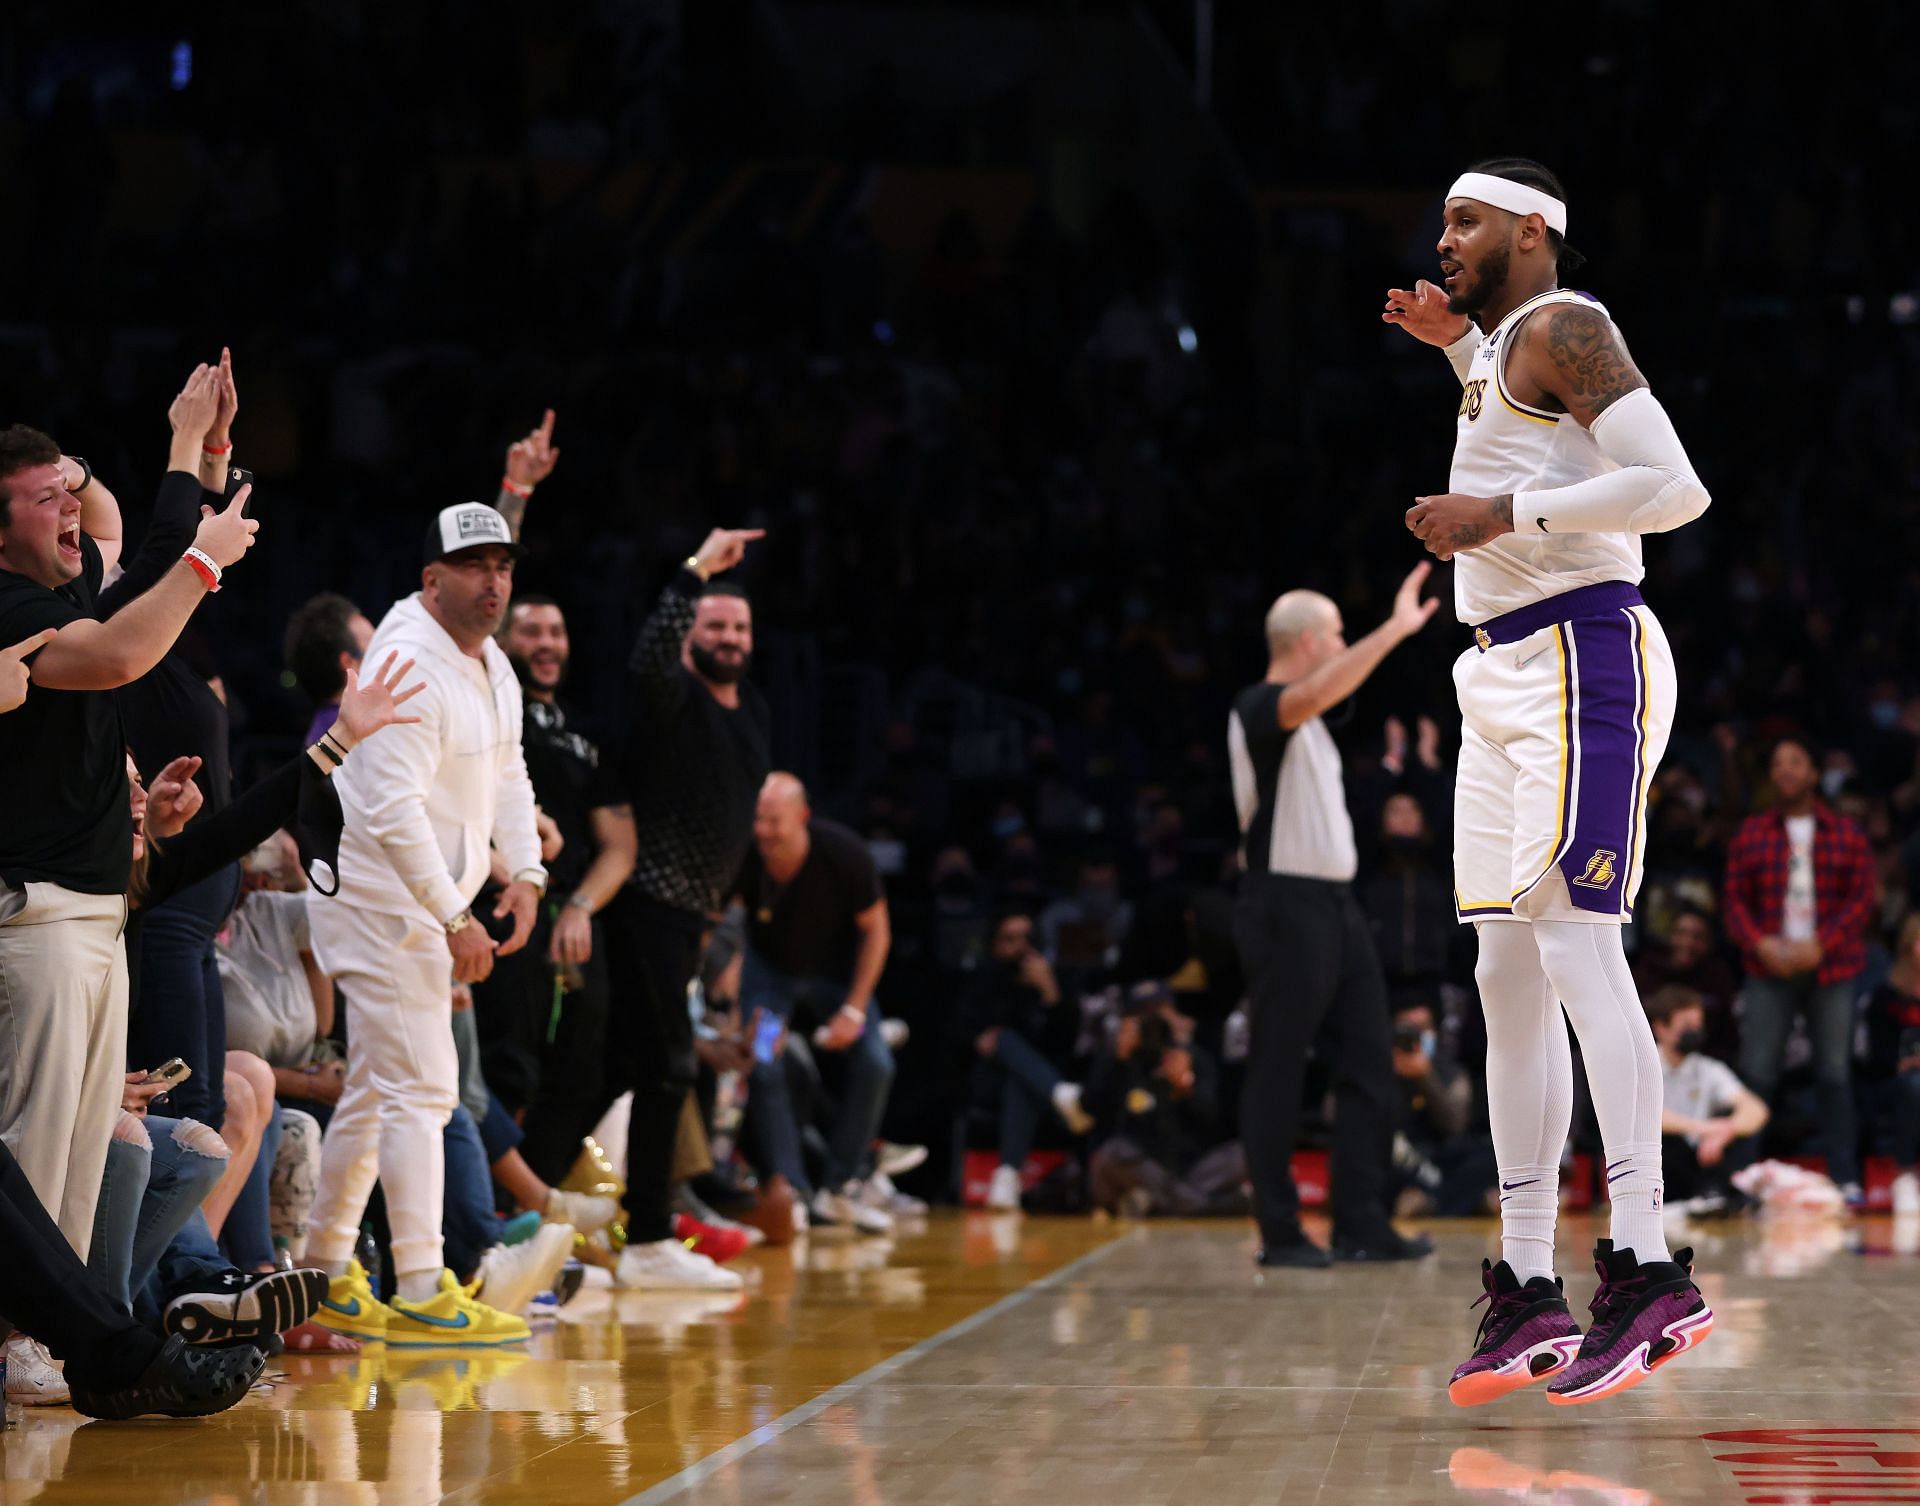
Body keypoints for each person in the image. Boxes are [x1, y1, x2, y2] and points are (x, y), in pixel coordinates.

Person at [1388, 157, 1713, 1404]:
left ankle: (1645, 1265)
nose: (1445, 236)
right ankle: (1527, 1288)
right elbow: (1516, 411)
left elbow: (1674, 489)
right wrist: (1453, 346)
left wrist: (1503, 519)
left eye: (1465, 220)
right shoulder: (1506, 347)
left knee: (1579, 944)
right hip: (1499, 677)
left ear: (1533, 230)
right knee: (1503, 965)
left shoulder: (1569, 324)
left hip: (1585, 650)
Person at [0, 371, 258, 1273]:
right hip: (36, 916)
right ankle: (27, 1333)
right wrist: (206, 551)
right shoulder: (12, 609)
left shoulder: (63, 583)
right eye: (44, 501)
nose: (71, 509)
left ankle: (59, 1335)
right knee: (39, 1146)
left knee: (81, 1146)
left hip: (93, 912)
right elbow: (119, 654)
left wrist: (77, 468)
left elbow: (118, 531)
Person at [305, 501, 551, 1346]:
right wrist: (456, 916)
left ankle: (327, 1271)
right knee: (425, 1088)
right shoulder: (407, 658)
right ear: (431, 578)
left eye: (505, 566)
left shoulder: (490, 663)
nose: (494, 581)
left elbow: (509, 773)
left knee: (380, 1090)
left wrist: (526, 871)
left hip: (415, 903)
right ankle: (417, 1284)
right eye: (476, 566)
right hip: (376, 899)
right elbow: (391, 810)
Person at [1227, 562, 1439, 1268]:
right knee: (1279, 1067)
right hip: (1285, 903)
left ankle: (1360, 1221)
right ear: (1312, 640)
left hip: (1334, 906)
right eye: (1339, 636)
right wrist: (1395, 630)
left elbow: (1324, 693)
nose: (1344, 647)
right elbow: (1318, 689)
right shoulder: (1260, 706)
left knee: (1370, 1061)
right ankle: (1279, 1230)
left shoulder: (1311, 720)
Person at [592, 528, 769, 1290]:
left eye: (739, 628)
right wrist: (696, 571)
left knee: (619, 1069)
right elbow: (648, 656)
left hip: (692, 921)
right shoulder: (676, 697)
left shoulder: (751, 712)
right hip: (648, 907)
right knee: (666, 1069)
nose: (729, 638)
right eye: (716, 627)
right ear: (695, 634)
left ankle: (528, 1208)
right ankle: (650, 1238)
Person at [485, 594, 638, 1218]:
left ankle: (531, 1212)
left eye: (558, 630)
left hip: (572, 915)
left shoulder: (588, 732)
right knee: (505, 1066)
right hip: (501, 898)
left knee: (585, 1069)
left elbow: (620, 845)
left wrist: (578, 906)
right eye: (531, 631)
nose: (547, 643)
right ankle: (486, 1217)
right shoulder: (492, 709)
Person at [734, 772, 897, 1233]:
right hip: (774, 981)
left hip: (837, 982)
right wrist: (739, 1008)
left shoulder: (843, 854)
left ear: (802, 817)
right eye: (758, 819)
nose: (763, 830)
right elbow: (726, 926)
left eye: (774, 821)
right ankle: (795, 1192)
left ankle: (841, 1185)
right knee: (764, 1064)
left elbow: (877, 932)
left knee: (876, 1064)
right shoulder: (747, 853)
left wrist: (854, 1009)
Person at [1722, 734, 1876, 1202]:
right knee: (1758, 1071)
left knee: (1833, 1072)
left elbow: (1861, 898)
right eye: (1777, 763)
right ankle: (1741, 1179)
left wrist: (1822, 944)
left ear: (1813, 773)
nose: (1785, 771)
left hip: (1831, 965)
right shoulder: (1753, 832)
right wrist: (1759, 943)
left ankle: (1845, 1177)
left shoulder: (1844, 832)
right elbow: (1734, 900)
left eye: (1795, 762)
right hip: (1769, 964)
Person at [956, 909, 1095, 1212]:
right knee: (1006, 1041)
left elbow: (1068, 1044)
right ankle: (1062, 1095)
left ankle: (1007, 1176)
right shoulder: (985, 982)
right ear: (994, 945)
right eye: (1010, 939)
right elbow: (964, 1035)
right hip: (989, 1082)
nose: (1020, 946)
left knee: (1020, 1082)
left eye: (1026, 938)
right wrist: (979, 1039)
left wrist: (1049, 993)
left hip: (1036, 1080)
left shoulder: (1055, 979)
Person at [1085, 984, 1244, 1219]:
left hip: (1192, 1167)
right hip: (1142, 1165)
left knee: (1245, 1153)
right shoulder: (1119, 1061)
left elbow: (1214, 1122)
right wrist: (1118, 1063)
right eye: (1144, 1012)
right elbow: (1090, 1112)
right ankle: (1204, 1206)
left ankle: (1158, 1203)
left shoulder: (1193, 1058)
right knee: (1113, 1153)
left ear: (1174, 1014)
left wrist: (1184, 1088)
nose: (1153, 1020)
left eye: (1160, 1009)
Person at [1646, 986, 1768, 1209]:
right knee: (1666, 1141)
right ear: (1660, 1028)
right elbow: (1646, 1116)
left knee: (1739, 1128)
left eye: (1697, 1026)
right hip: (1657, 1163)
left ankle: (1718, 1195)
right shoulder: (1643, 1066)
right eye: (1686, 1027)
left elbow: (1755, 1109)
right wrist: (1706, 1128)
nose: (1694, 1033)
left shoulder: (1707, 1069)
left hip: (1702, 1158)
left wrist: (1727, 1130)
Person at [1867, 913, 1920, 1216]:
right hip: (1895, 1084)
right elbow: (1878, 1058)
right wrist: (1907, 1062)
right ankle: (1903, 1174)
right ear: (1908, 946)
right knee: (1914, 1085)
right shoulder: (1886, 995)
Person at [284, 592, 375, 743]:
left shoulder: (325, 730)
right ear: (350, 663)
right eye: (375, 646)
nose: (387, 653)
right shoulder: (355, 736)